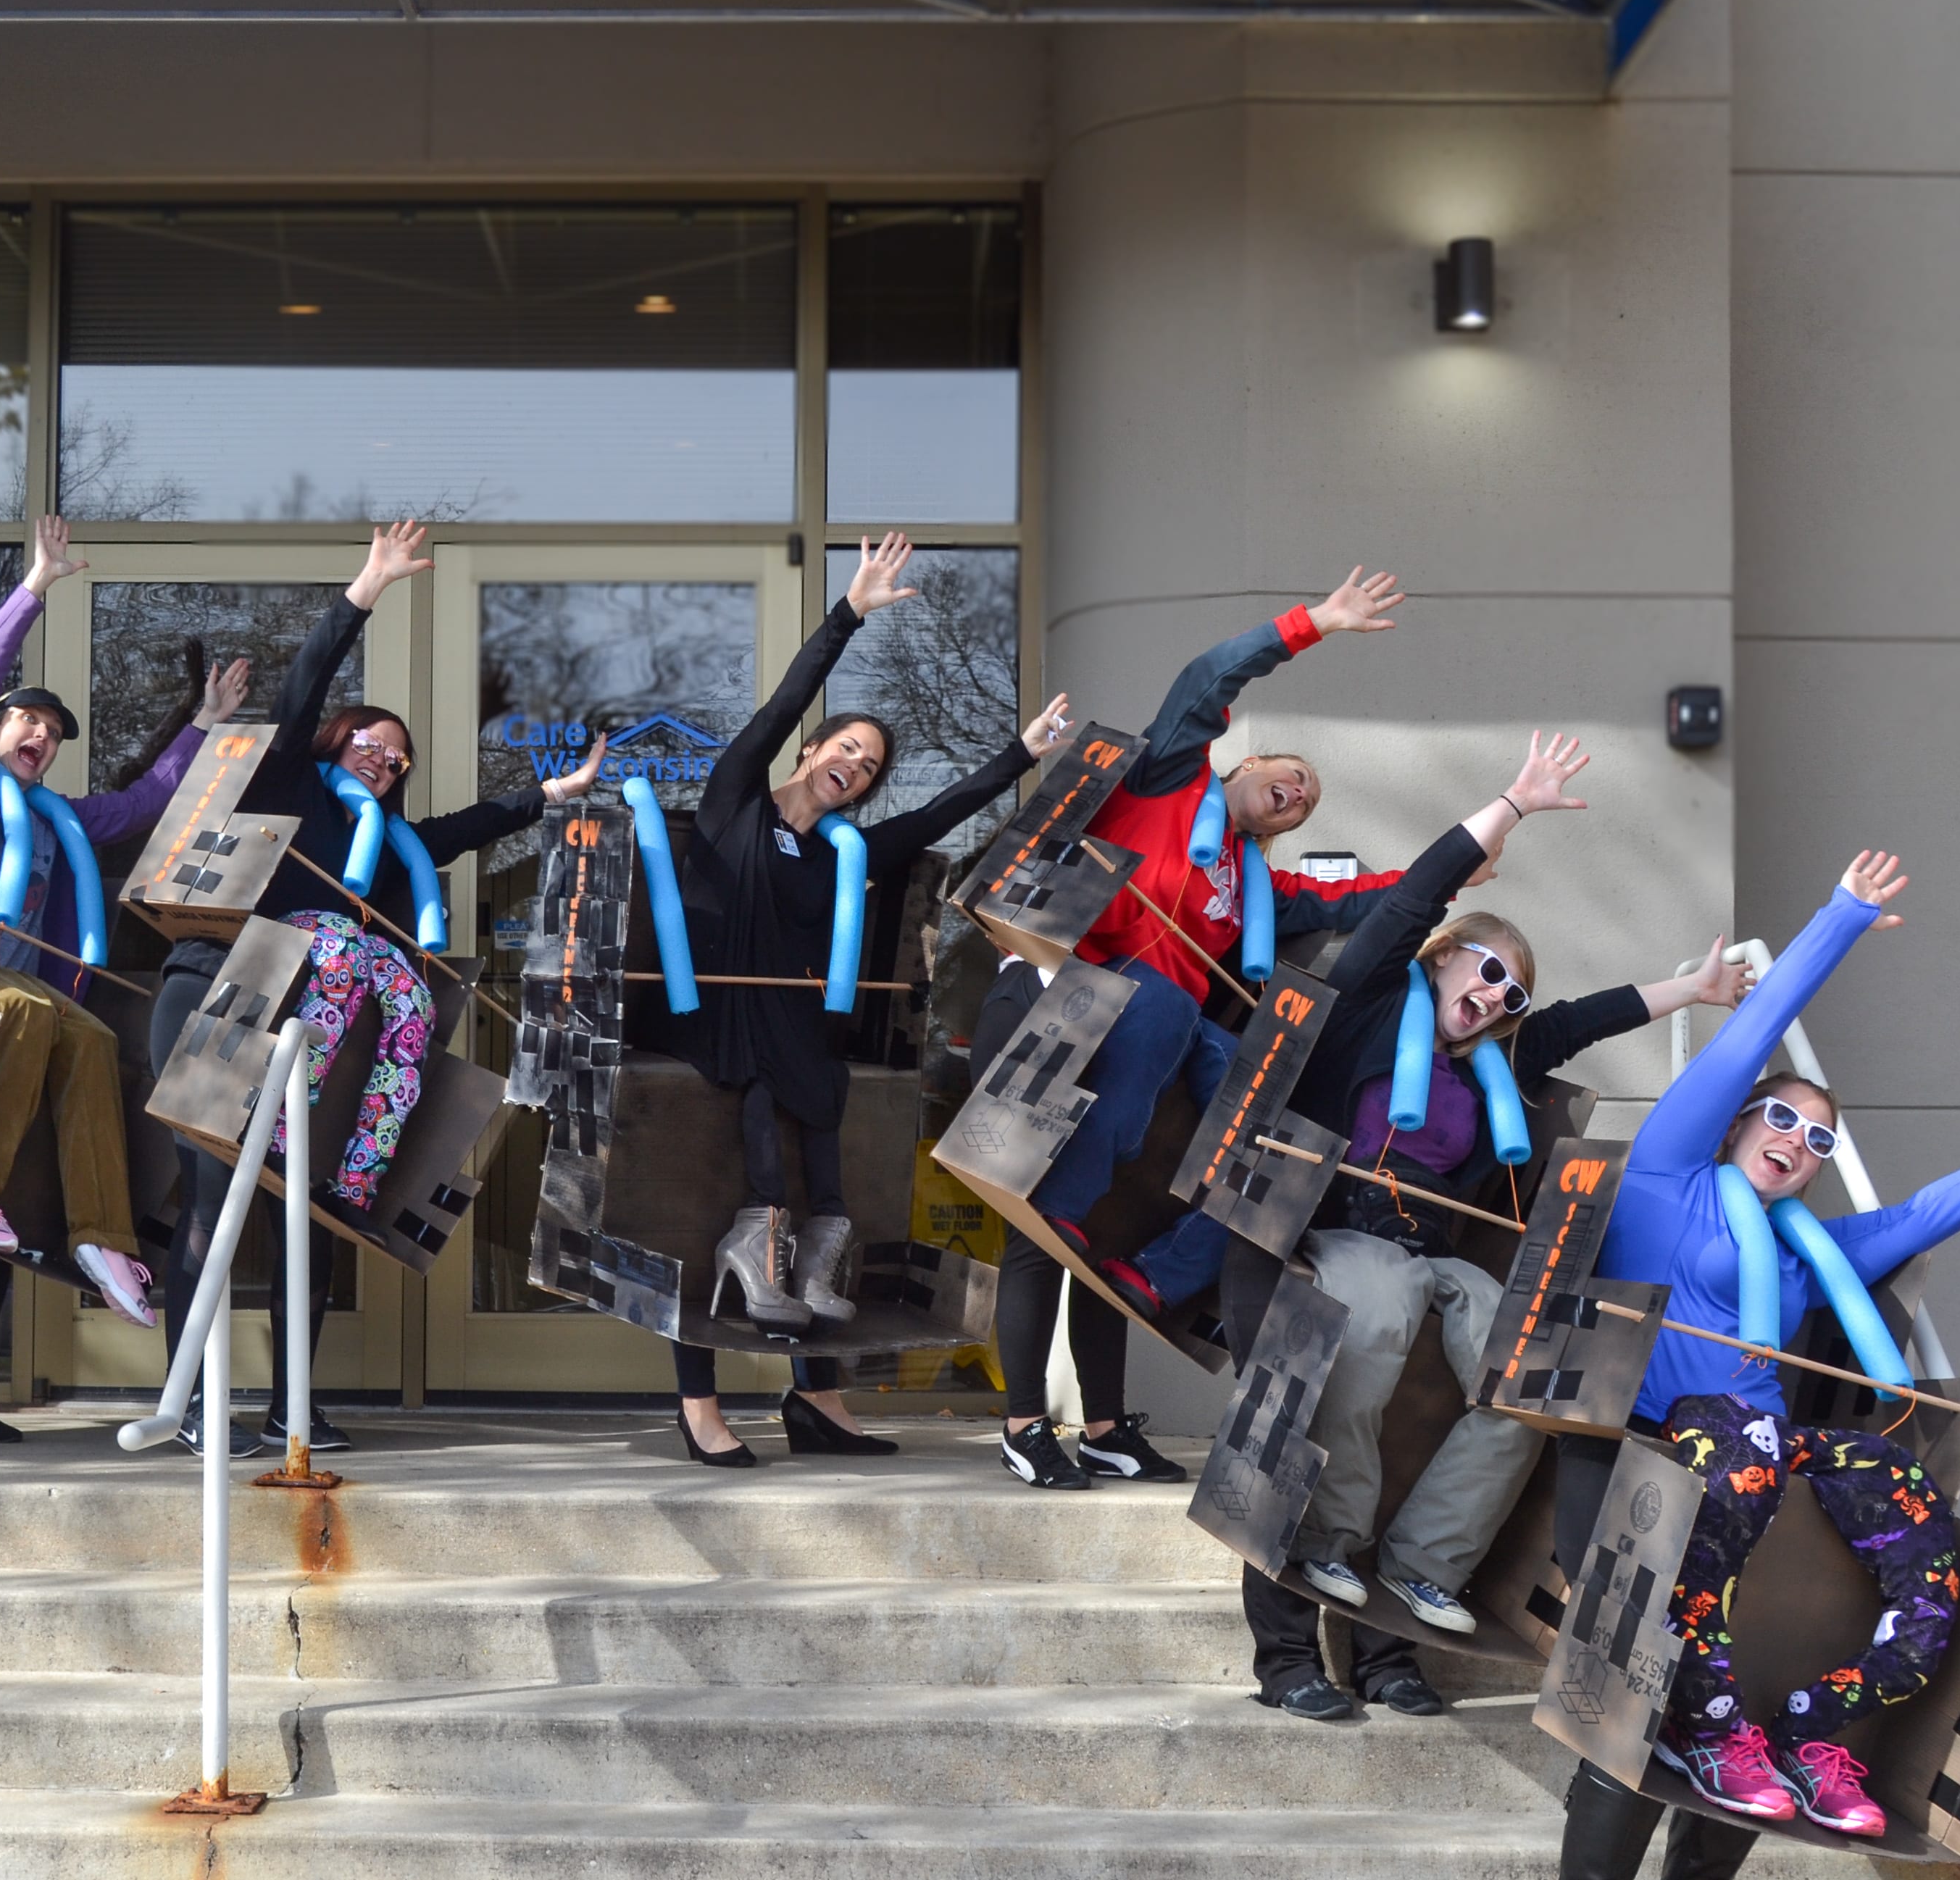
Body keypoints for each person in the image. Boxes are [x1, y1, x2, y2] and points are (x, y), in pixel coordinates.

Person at [1540, 848, 1960, 1880]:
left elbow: (1928, 1211)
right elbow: (1750, 1035)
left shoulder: (1806, 1252)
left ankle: (1725, 1853)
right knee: (1647, 1689)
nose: (1796, 1136)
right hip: (1644, 1454)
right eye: (1781, 1117)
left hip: (1748, 1474)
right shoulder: (1667, 1179)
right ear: (1739, 1122)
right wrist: (1837, 920)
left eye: (1818, 1137)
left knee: (1897, 1505)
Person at [1223, 735, 1751, 1724]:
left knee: (1531, 1376)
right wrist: (1511, 804)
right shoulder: (1373, 1003)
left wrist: (1696, 991)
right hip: (1335, 1236)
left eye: (1514, 990)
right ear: (1444, 956)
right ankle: (1321, 1568)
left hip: (1438, 1256)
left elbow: (1589, 1017)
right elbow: (1415, 894)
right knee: (1372, 1327)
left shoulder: (1495, 1065)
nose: (1498, 995)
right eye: (1486, 970)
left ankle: (1421, 1573)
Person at [148, 520, 608, 1459]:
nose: (385, 762)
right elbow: (304, 684)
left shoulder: (389, 860)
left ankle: (292, 1410)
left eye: (398, 760)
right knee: (210, 1209)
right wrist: (366, 588)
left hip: (315, 1048)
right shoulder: (287, 788)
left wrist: (548, 797)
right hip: (221, 1002)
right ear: (335, 741)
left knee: (304, 1221)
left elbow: (471, 827)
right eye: (370, 743)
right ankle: (194, 1407)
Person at [980, 572, 1409, 1492]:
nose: (1296, 793)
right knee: (1046, 1228)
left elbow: (1360, 900)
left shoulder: (1257, 889)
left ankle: (1117, 1386)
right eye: (1286, 776)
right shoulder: (1172, 774)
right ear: (1242, 768)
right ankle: (1024, 1424)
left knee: (1275, 1154)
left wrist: (1457, 870)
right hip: (1077, 1001)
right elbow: (1207, 676)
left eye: (1307, 802)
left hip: (1161, 1046)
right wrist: (1315, 624)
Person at [656, 533, 1069, 1467]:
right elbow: (779, 706)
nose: (857, 765)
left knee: (823, 1171)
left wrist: (1019, 754)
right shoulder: (734, 802)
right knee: (717, 1197)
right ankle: (701, 1405)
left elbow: (937, 819)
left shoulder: (847, 856)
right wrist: (848, 616)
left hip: (796, 1031)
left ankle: (820, 1400)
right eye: (846, 748)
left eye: (871, 765)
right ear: (808, 753)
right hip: (714, 1023)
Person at [0, 514, 221, 1456]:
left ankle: (95, 1251)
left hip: (20, 1032)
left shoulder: (59, 815)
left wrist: (202, 728)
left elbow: (142, 804)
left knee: (73, 1087)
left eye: (54, 731)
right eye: (27, 720)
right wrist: (36, 587)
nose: (41, 734)